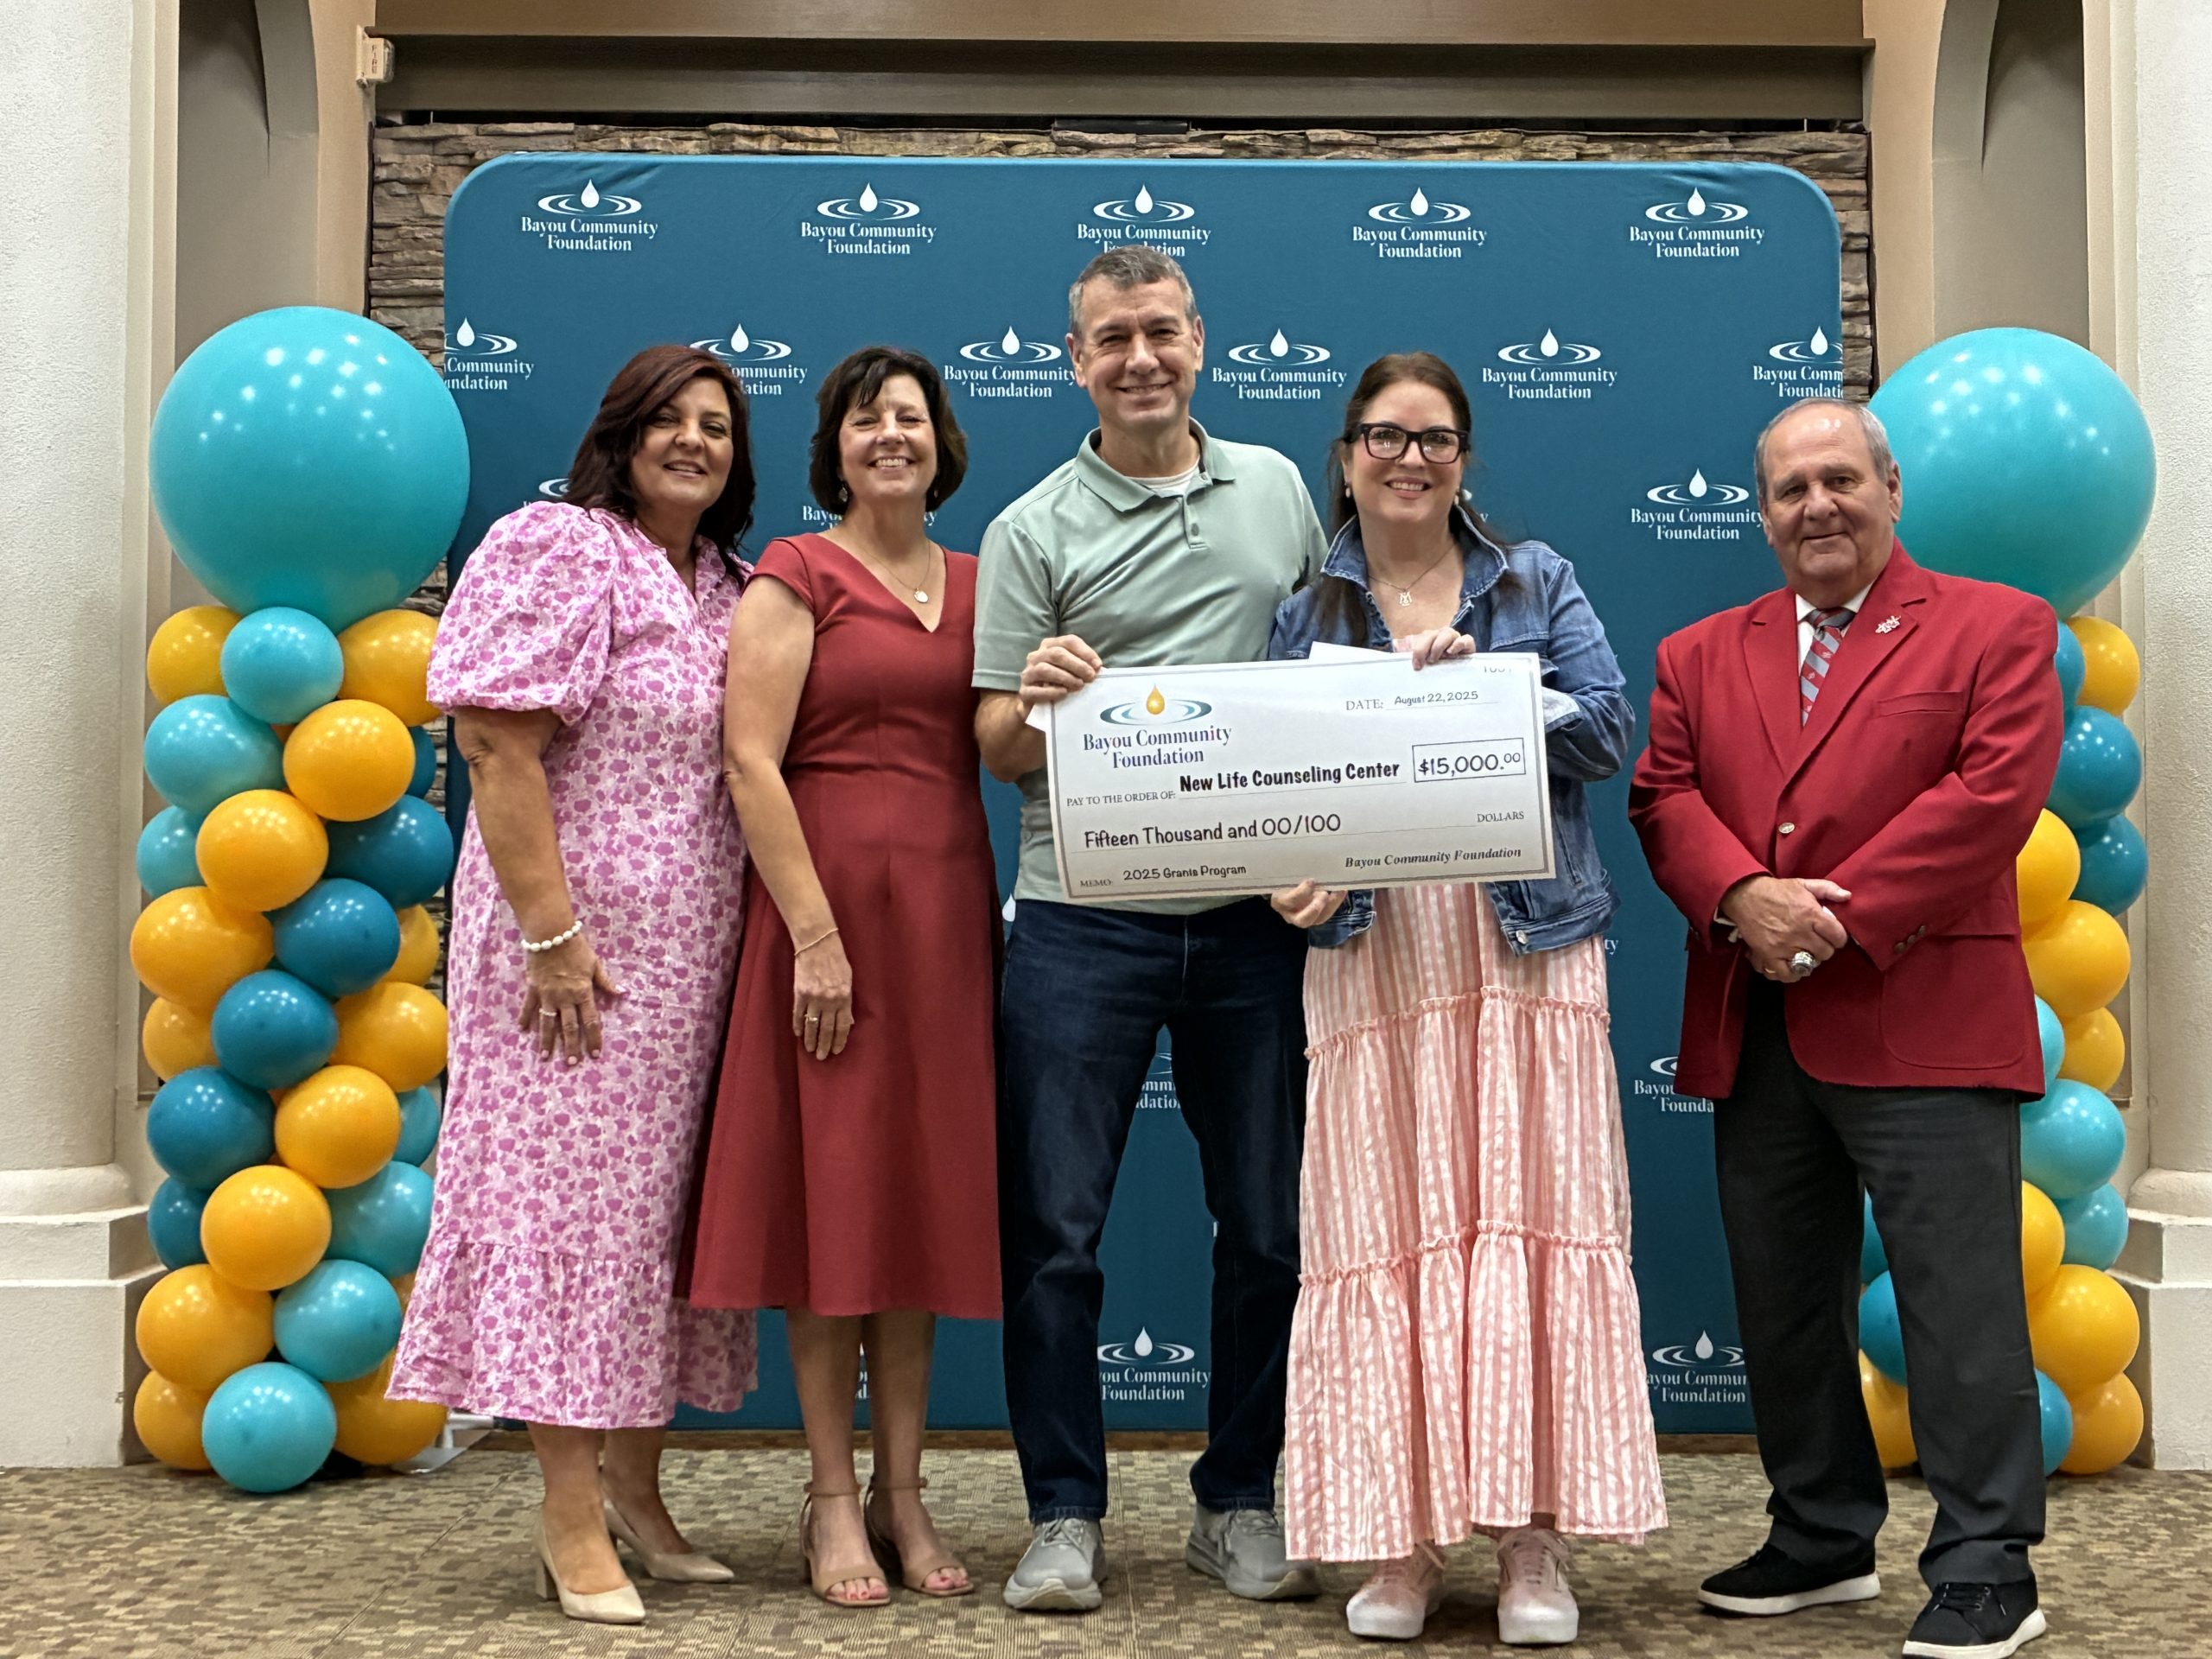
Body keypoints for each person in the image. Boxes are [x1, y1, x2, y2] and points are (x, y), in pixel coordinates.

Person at [1628, 398, 2061, 1659]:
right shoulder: (1700, 652)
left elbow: (1993, 795)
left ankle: (1987, 1564)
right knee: (1783, 1300)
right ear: (1762, 513)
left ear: (1891, 488)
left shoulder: (1995, 626)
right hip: (1757, 1022)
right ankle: (1820, 1534)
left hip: (1924, 1016)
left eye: (1839, 480)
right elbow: (1664, 796)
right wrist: (1742, 898)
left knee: (1960, 1304)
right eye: (1789, 489)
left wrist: (1824, 918)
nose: (1816, 505)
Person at [1266, 353, 1664, 1647]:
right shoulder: (1304, 613)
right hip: (1373, 959)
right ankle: (1403, 1541)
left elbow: (1607, 731)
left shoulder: (1534, 580)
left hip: (1519, 951)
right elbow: (1278, 791)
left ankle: (1532, 1541)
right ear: (1347, 456)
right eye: (1385, 436)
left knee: (1527, 1224)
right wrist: (1292, 882)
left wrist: (1492, 695)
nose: (1410, 459)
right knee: (1386, 1234)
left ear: (1464, 457)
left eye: (1434, 438)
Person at [975, 244, 1330, 1612]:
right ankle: (1062, 1515)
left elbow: (1325, 675)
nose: (1141, 358)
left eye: (1161, 332)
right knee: (1055, 1235)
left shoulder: (1280, 488)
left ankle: (1237, 1501)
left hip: (1253, 917)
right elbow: (997, 743)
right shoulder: (1031, 529)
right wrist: (1038, 697)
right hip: (1082, 923)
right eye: (1113, 338)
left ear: (1200, 342)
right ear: (1076, 361)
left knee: (1270, 1230)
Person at [390, 345, 760, 1626]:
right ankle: (566, 1513)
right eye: (670, 419)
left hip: (693, 969)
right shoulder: (558, 546)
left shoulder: (729, 584)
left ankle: (637, 1494)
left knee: (654, 1228)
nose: (694, 441)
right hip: (571, 967)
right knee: (571, 1222)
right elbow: (496, 744)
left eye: (717, 425)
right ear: (621, 433)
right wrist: (551, 936)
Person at [688, 347, 1000, 1608]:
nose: (891, 437)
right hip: (822, 923)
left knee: (912, 1207)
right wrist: (814, 938)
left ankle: (903, 1493)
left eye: (911, 418)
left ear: (942, 444)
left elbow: (1006, 737)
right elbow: (749, 763)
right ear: (836, 449)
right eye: (867, 420)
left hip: (945, 924)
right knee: (832, 1206)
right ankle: (829, 1497)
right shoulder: (796, 573)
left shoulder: (983, 581)